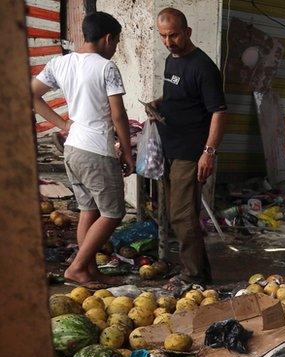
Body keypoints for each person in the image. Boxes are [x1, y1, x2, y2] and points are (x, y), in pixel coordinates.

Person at [32, 12, 132, 289]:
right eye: (117, 42)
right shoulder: (106, 68)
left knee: (89, 209)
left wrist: (62, 123)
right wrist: (127, 152)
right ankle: (76, 268)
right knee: (113, 213)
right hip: (96, 150)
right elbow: (119, 116)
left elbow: (31, 94)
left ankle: (89, 271)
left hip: (73, 148)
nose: (115, 49)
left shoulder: (59, 63)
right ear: (108, 38)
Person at [149, 8, 227, 288]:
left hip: (191, 151)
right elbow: (179, 95)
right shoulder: (172, 60)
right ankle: (199, 273)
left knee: (181, 216)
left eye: (174, 35)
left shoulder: (203, 67)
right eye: (163, 36)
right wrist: (160, 103)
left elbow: (218, 112)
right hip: (169, 147)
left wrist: (209, 152)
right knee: (181, 215)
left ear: (188, 32)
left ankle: (191, 277)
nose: (169, 42)